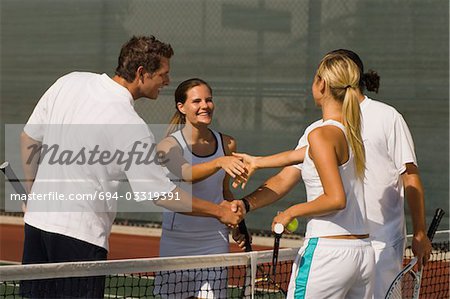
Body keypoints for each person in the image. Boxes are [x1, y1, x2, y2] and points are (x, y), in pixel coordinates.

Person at [19, 36, 244, 298]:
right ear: (141, 73)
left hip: (36, 226)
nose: (167, 82)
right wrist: (219, 211)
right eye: (163, 74)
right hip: (81, 238)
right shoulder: (131, 126)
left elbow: (28, 138)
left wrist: (31, 192)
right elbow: (160, 194)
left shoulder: (69, 81)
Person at [236, 49, 431, 298]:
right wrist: (256, 163)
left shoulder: (346, 128)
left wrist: (289, 212)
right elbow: (300, 157)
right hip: (362, 254)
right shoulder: (348, 133)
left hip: (335, 250)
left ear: (323, 84)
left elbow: (336, 198)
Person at [153, 78, 248, 298]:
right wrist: (218, 162)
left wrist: (236, 221)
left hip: (214, 241)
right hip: (175, 244)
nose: (204, 105)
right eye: (196, 101)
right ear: (181, 107)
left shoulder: (228, 144)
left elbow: (224, 192)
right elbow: (186, 174)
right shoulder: (168, 145)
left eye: (208, 100)